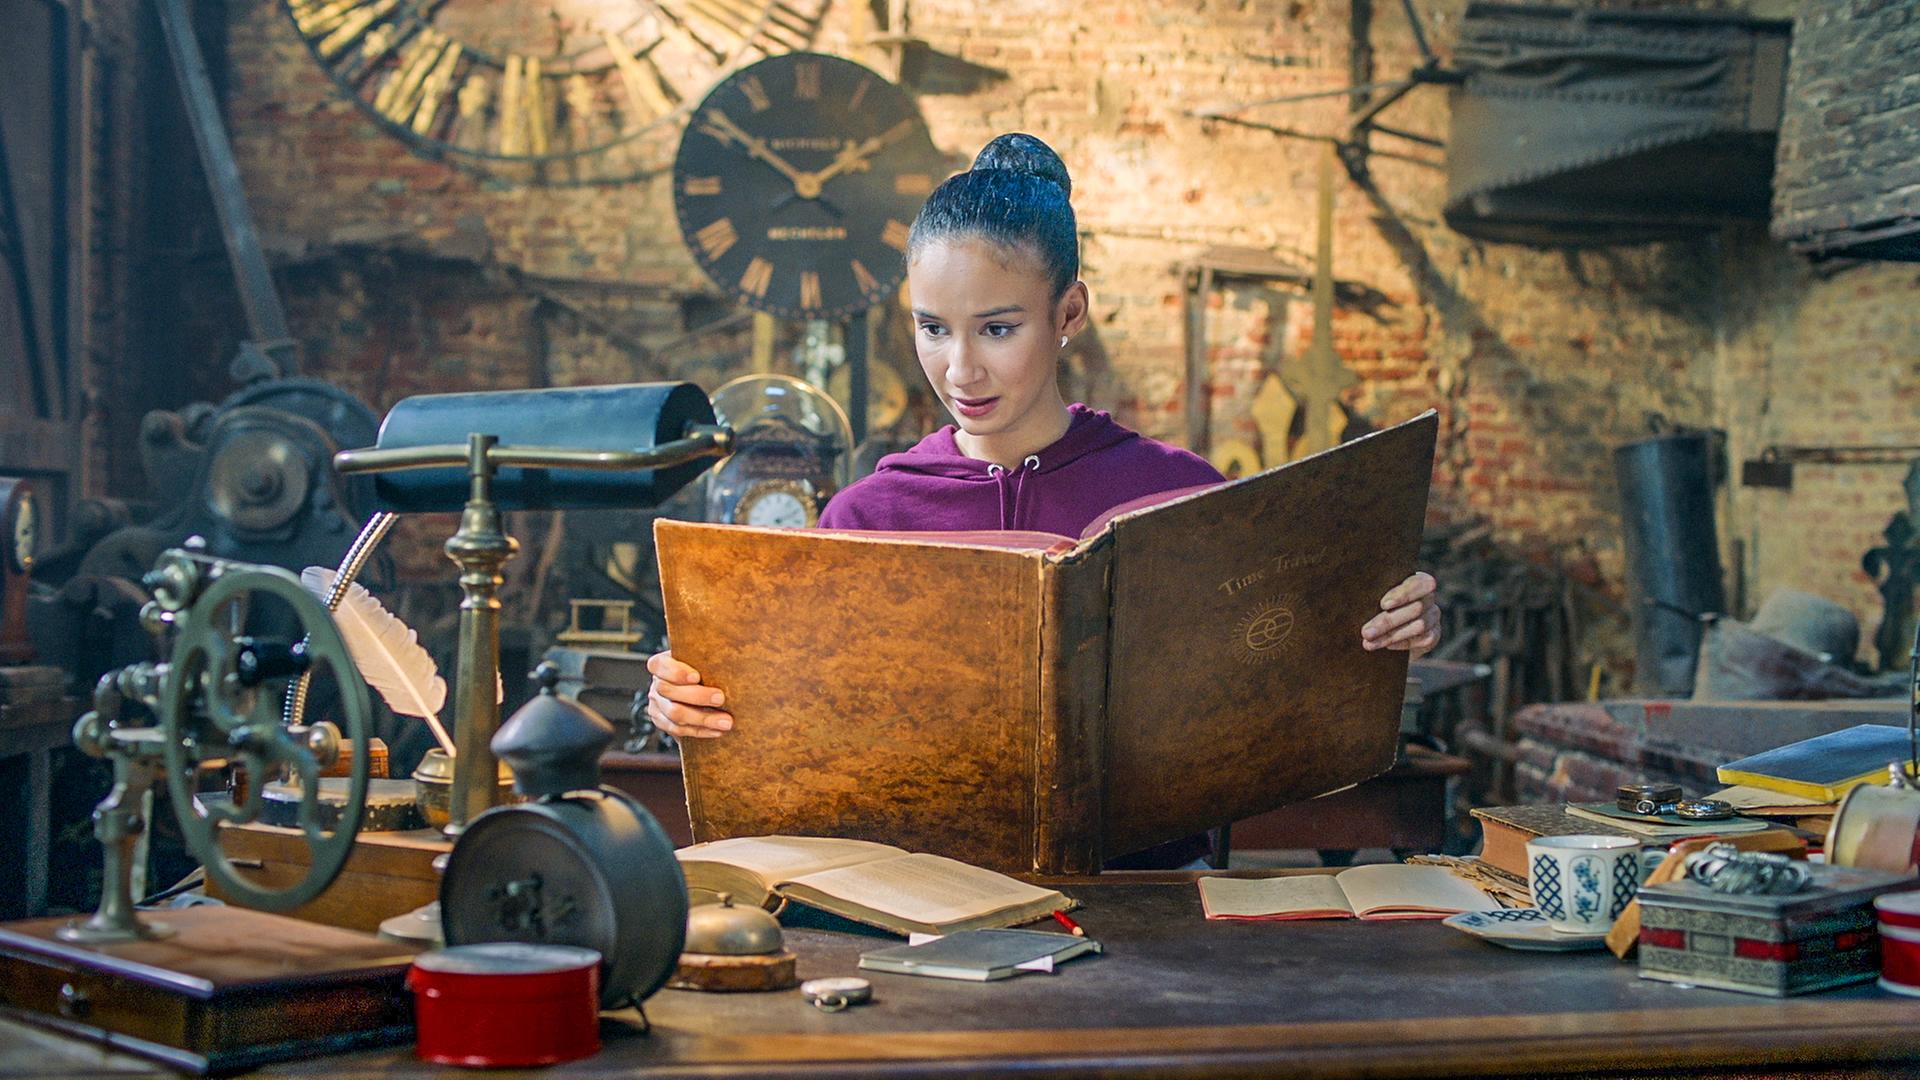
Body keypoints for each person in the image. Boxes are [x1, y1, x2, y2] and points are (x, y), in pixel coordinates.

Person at [645, 133, 1442, 865]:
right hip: (920, 907)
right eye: (932, 328)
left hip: (1149, 907)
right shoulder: (863, 518)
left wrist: (1380, 629)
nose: (959, 369)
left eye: (996, 329)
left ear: (1069, 313)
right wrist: (690, 704)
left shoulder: (1184, 496)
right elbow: (789, 730)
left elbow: (1286, 681)